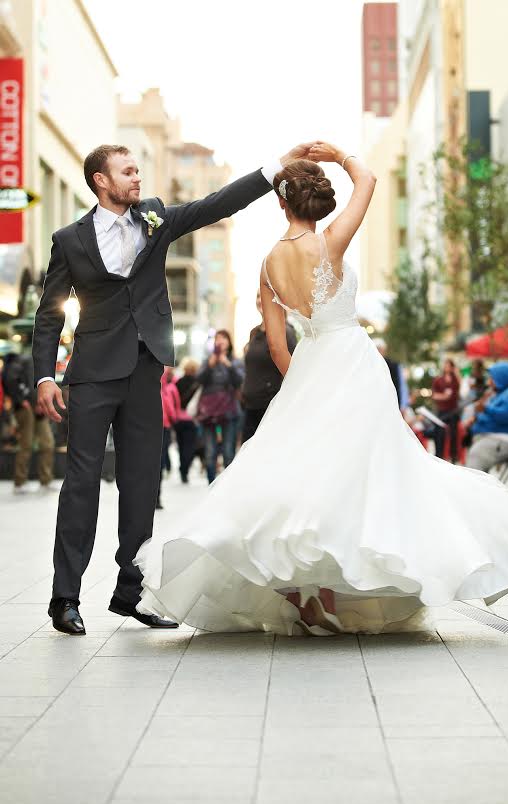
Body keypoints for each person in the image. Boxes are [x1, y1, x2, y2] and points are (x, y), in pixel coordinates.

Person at [135, 144, 508, 637]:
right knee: (362, 473)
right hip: (353, 361)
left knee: (306, 472)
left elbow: (278, 346)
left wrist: (304, 383)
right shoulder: (329, 244)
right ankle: (340, 581)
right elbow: (367, 181)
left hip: (311, 364)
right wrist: (341, 155)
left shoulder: (267, 265)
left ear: (280, 202)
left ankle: (307, 590)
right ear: (312, 201)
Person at [33, 139, 313, 635]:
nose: (137, 178)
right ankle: (65, 599)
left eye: (139, 170)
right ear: (101, 180)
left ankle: (130, 593)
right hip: (93, 374)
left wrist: (274, 168)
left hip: (145, 372)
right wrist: (44, 375)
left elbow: (215, 205)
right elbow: (49, 313)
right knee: (81, 486)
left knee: (142, 487)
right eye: (127, 171)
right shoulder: (69, 240)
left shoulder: (156, 219)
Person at [241, 287, 297, 442]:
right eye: (258, 296)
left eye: (265, 295)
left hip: (271, 409)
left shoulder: (286, 332)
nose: (261, 300)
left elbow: (293, 370)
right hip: (250, 408)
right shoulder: (254, 333)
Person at [2, 351, 55, 494]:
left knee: (47, 443)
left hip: (36, 406)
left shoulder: (33, 361)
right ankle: (20, 483)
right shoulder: (27, 360)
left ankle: (46, 480)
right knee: (26, 444)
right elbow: (12, 380)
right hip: (26, 408)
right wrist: (21, 400)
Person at [466, 361, 508, 472]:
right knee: (475, 449)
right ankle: (480, 485)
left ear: (501, 377)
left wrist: (485, 409)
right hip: (500, 435)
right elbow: (491, 415)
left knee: (476, 454)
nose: (489, 382)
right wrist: (478, 418)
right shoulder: (500, 393)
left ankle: (475, 488)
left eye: (492, 378)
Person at [196, 329, 242, 483]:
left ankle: (227, 487)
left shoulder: (235, 361)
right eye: (217, 338)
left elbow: (239, 381)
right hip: (209, 412)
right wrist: (210, 364)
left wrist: (227, 364)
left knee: (229, 451)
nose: (220, 341)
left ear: (229, 342)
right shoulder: (208, 360)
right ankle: (211, 486)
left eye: (223, 338)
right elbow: (199, 379)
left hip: (229, 410)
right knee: (210, 452)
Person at [157, 368, 180, 509]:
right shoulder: (169, 388)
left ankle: (155, 497)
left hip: (157, 426)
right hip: (163, 426)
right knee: (159, 463)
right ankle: (157, 497)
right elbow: (173, 409)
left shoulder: (165, 388)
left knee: (156, 463)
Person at [174, 358, 200, 483]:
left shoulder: (178, 382)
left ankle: (182, 468)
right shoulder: (198, 383)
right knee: (190, 447)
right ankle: (184, 468)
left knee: (181, 445)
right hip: (192, 419)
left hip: (178, 419)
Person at [431, 358, 460, 463]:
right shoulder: (439, 380)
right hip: (442, 410)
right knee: (439, 433)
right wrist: (444, 396)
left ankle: (454, 456)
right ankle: (439, 455)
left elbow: (458, 391)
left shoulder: (455, 380)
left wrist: (457, 373)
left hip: (453, 410)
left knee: (453, 434)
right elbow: (434, 395)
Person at [373, 339, 408, 412]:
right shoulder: (369, 366)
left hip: (390, 404)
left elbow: (400, 386)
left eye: (380, 350)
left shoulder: (393, 366)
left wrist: (401, 405)